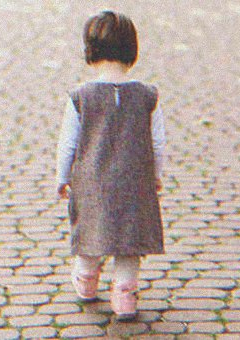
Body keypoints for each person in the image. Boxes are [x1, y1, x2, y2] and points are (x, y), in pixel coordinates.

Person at [55, 10, 166, 321]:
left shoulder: (80, 97)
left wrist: (61, 177)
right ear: (132, 51)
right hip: (135, 182)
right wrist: (156, 175)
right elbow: (158, 143)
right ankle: (125, 294)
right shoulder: (147, 95)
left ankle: (87, 281)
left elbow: (67, 144)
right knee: (130, 243)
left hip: (93, 182)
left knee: (90, 234)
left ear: (90, 52)